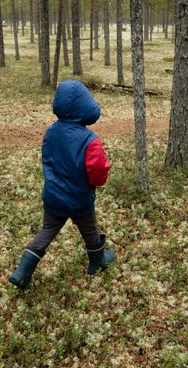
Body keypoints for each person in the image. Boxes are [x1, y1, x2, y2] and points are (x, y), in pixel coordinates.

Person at [9, 80, 115, 289]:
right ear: (85, 106)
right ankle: (97, 261)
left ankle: (22, 272)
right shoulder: (89, 140)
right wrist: (96, 184)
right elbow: (98, 171)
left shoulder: (51, 132)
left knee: (47, 230)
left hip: (54, 196)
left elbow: (49, 160)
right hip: (80, 199)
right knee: (90, 229)